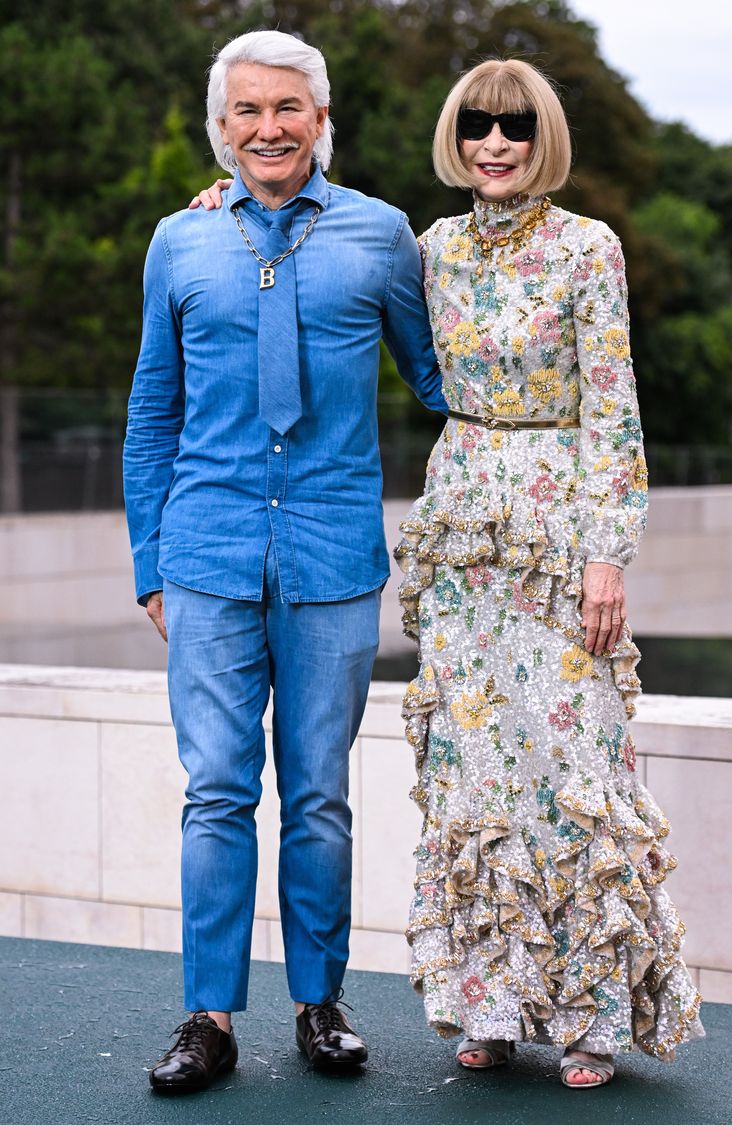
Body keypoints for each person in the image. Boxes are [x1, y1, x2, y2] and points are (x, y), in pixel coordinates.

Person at [123, 28, 446, 1095]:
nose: (270, 128)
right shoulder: (180, 241)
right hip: (208, 557)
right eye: (248, 111)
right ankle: (208, 1018)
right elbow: (151, 413)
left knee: (319, 799)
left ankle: (322, 1005)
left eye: (288, 109)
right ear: (223, 128)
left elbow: (442, 383)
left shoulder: (382, 235)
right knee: (217, 792)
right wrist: (150, 561)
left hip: (333, 559)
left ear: (320, 120)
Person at [393, 58, 704, 1087]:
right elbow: (332, 264)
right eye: (477, 125)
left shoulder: (587, 246)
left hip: (558, 517)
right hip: (461, 523)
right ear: (457, 134)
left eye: (514, 127)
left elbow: (613, 403)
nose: (494, 143)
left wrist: (607, 552)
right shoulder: (429, 247)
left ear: (541, 137)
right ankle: (485, 1001)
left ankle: (591, 1017)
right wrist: (224, 200)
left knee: (577, 768)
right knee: (473, 769)